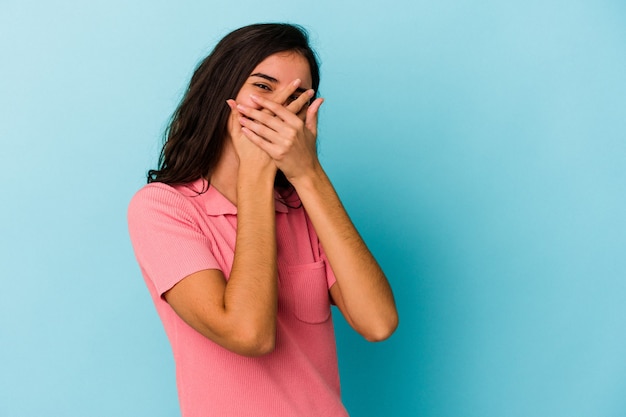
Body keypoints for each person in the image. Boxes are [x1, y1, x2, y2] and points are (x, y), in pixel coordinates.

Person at [127, 23, 398, 417]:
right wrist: (254, 177)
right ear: (223, 93)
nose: (278, 108)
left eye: (296, 98)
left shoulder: (305, 208)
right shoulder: (163, 210)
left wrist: (309, 175)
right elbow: (249, 334)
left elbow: (378, 322)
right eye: (265, 87)